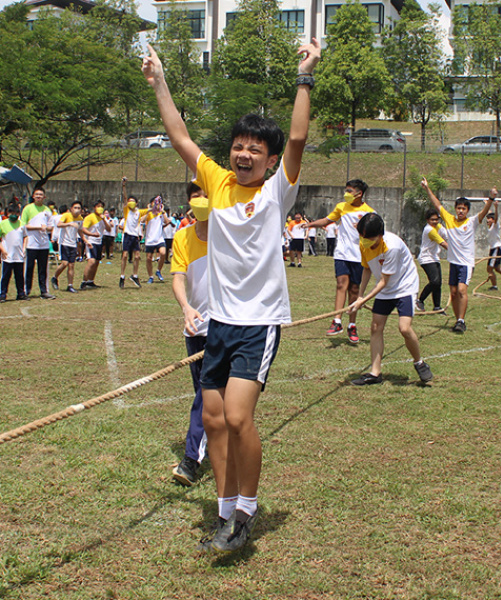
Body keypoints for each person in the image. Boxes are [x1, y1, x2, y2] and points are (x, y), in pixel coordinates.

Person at [143, 38, 320, 553]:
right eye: (238, 146)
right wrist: (160, 82)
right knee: (216, 419)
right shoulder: (217, 182)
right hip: (218, 322)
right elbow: (177, 134)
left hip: (258, 322)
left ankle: (247, 508)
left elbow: (298, 138)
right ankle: (225, 512)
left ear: (267, 159)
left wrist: (304, 75)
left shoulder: (275, 191)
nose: (244, 154)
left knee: (240, 418)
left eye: (254, 149)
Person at [351, 213, 433, 386]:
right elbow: (366, 269)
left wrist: (364, 299)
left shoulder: (391, 246)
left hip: (404, 287)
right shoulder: (364, 242)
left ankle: (419, 362)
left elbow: (383, 281)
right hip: (384, 289)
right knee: (375, 327)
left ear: (380, 235)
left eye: (369, 238)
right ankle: (375, 373)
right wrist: (360, 295)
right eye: (363, 237)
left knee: (404, 328)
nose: (364, 241)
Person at [303, 179, 374, 345]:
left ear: (359, 193)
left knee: (354, 289)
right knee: (341, 284)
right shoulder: (341, 207)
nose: (346, 193)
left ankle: (352, 325)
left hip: (359, 256)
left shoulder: (369, 212)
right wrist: (310, 224)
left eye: (350, 191)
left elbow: (374, 234)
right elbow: (327, 221)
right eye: (346, 190)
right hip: (342, 254)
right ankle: (337, 322)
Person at [171, 184, 209, 486]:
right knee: (204, 392)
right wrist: (186, 307)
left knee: (206, 393)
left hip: (226, 329)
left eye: (205, 195)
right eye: (195, 196)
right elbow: (178, 277)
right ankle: (216, 441)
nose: (200, 201)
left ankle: (191, 459)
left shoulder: (230, 235)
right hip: (195, 327)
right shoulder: (182, 237)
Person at [421, 178, 494, 333]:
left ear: (467, 211)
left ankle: (461, 320)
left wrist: (491, 199)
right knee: (453, 293)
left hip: (466, 264)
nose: (461, 211)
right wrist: (427, 189)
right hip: (453, 263)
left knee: (461, 290)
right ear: (455, 208)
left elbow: (484, 212)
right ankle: (457, 321)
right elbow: (436, 204)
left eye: (464, 209)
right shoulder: (449, 219)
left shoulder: (472, 222)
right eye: (459, 208)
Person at [20, 187, 55, 299]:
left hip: (43, 244)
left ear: (44, 197)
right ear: (33, 196)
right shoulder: (28, 208)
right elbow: (23, 225)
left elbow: (51, 227)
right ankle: (26, 291)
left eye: (41, 195)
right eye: (37, 194)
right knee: (29, 267)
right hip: (31, 244)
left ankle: (44, 291)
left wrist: (47, 228)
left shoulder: (47, 210)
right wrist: (38, 227)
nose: (39, 196)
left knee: (43, 268)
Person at [416, 208, 448, 312]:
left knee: (438, 283)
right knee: (434, 281)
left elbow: (447, 236)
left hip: (434, 257)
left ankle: (437, 307)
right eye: (432, 220)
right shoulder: (429, 230)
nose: (435, 222)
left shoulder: (438, 226)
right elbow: (443, 243)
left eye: (436, 219)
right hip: (426, 258)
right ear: (427, 220)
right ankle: (420, 300)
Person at [119, 177, 148, 289]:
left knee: (137, 256)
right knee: (125, 255)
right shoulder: (127, 211)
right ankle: (122, 276)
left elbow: (149, 210)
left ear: (136, 203)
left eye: (132, 201)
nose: (130, 203)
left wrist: (157, 205)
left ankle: (134, 275)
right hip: (127, 235)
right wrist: (124, 186)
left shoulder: (139, 212)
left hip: (135, 236)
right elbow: (125, 197)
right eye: (129, 201)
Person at [51, 200, 83, 294]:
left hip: (73, 244)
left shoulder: (80, 219)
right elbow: (59, 224)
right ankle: (54, 277)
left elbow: (80, 230)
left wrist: (85, 240)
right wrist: (69, 224)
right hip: (64, 243)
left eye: (79, 208)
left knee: (71, 265)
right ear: (71, 209)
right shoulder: (66, 216)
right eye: (75, 208)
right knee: (64, 263)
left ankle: (70, 285)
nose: (77, 210)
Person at [0, 203, 28, 302]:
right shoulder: (3, 224)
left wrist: (24, 248)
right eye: (11, 212)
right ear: (7, 213)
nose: (14, 215)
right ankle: (2, 294)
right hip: (8, 255)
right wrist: (3, 250)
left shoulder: (22, 224)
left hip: (19, 255)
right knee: (6, 276)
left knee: (19, 276)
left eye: (16, 213)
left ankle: (21, 294)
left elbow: (25, 237)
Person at [80, 200, 111, 289]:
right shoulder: (90, 217)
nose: (100, 208)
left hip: (99, 242)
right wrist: (92, 234)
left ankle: (91, 281)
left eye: (101, 206)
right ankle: (84, 282)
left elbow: (108, 229)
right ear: (94, 208)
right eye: (98, 206)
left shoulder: (103, 218)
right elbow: (84, 229)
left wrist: (104, 219)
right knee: (91, 261)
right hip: (91, 241)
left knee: (97, 262)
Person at [143, 195, 170, 283]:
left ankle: (158, 270)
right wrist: (148, 211)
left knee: (163, 253)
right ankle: (150, 276)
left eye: (158, 202)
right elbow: (142, 220)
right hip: (150, 239)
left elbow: (167, 221)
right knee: (149, 258)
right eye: (154, 203)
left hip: (159, 238)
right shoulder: (149, 213)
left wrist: (162, 212)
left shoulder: (161, 213)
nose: (156, 204)